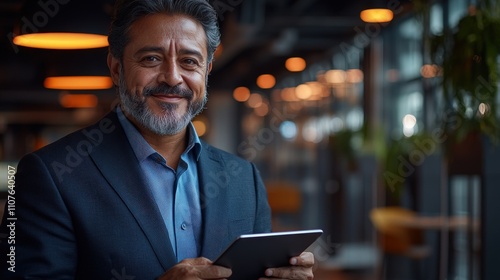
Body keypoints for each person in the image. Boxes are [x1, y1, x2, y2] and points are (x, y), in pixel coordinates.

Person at [0, 0, 315, 279]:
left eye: (190, 62)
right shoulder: (45, 175)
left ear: (206, 71)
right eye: (151, 59)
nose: (173, 77)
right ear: (116, 67)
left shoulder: (245, 179)